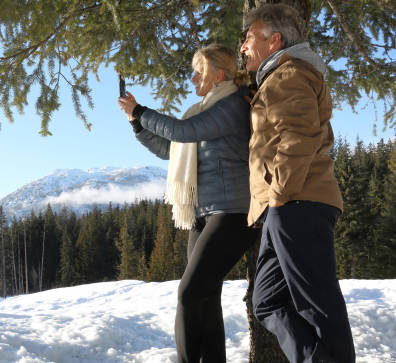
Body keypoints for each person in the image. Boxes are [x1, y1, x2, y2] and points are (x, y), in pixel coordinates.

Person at [118, 44, 258, 363]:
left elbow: (183, 132)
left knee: (189, 293)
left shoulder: (233, 106)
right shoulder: (205, 110)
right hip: (202, 215)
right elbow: (172, 149)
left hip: (233, 213)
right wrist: (136, 123)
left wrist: (142, 111)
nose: (193, 79)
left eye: (199, 72)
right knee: (206, 298)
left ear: (219, 75)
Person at [240, 4, 355, 363]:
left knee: (317, 307)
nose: (242, 46)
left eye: (248, 38)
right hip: (288, 205)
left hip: (297, 202)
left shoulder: (290, 74)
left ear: (274, 40)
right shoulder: (277, 78)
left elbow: (299, 135)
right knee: (266, 301)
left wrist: (279, 196)